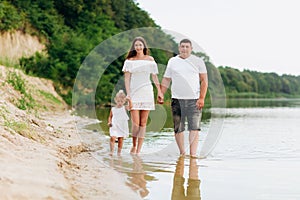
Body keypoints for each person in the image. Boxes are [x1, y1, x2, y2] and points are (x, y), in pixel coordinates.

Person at [160, 38, 208, 157]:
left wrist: (201, 98)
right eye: (182, 46)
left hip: (194, 100)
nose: (184, 49)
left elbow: (204, 81)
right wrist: (160, 93)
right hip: (177, 99)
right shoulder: (172, 61)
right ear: (179, 48)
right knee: (178, 128)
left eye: (187, 47)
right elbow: (166, 79)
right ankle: (182, 153)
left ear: (191, 49)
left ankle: (193, 155)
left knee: (194, 128)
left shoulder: (198, 61)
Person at [122, 36, 163, 154]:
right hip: (134, 93)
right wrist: (128, 94)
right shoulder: (129, 61)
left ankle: (139, 149)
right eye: (136, 45)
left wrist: (159, 91)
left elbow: (154, 77)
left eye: (140, 45)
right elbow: (127, 79)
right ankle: (134, 145)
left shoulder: (150, 60)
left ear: (144, 46)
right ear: (134, 47)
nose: (138, 47)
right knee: (135, 123)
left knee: (143, 123)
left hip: (147, 92)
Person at [107, 90, 131, 156]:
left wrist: (129, 101)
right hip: (114, 125)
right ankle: (111, 151)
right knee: (112, 137)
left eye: (121, 101)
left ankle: (119, 152)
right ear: (115, 100)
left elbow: (131, 108)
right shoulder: (113, 109)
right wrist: (109, 122)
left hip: (122, 125)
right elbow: (110, 117)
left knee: (120, 139)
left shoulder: (124, 108)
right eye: (118, 101)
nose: (120, 103)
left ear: (124, 101)